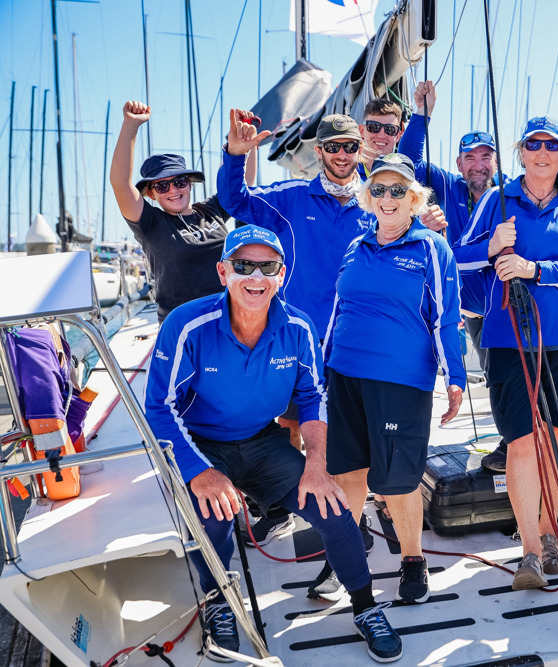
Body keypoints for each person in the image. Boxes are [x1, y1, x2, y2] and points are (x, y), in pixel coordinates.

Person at [143, 225, 402, 663]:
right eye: (244, 266)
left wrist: (316, 463)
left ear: (281, 274)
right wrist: (200, 473)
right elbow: (159, 410)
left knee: (338, 512)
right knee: (213, 520)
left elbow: (312, 397)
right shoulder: (186, 324)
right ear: (223, 272)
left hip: (263, 442)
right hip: (202, 444)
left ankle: (365, 605)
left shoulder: (299, 328)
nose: (255, 277)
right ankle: (219, 604)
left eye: (267, 267)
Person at [400, 82, 558, 475]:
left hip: (528, 320)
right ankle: (513, 446)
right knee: (504, 389)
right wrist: (421, 115)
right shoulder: (450, 188)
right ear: (458, 164)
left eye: (485, 156)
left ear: (497, 162)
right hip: (477, 312)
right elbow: (406, 163)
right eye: (469, 157)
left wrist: (534, 266)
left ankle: (518, 450)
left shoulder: (521, 195)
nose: (477, 164)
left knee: (544, 414)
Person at [217, 110, 376, 577]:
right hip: (297, 339)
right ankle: (282, 506)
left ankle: (350, 522)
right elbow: (234, 199)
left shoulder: (379, 201)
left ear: (360, 150)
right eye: (333, 147)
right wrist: (235, 155)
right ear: (319, 151)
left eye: (350, 146)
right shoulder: (287, 197)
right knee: (288, 427)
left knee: (345, 441)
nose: (342, 155)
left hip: (355, 345)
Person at [455, 116, 558, 590]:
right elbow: (458, 256)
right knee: (520, 442)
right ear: (521, 152)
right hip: (508, 340)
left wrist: (533, 269)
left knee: (557, 443)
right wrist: (492, 246)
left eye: (551, 145)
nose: (542, 152)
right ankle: (531, 553)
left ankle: (548, 531)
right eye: (533, 144)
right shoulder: (498, 200)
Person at [325, 153, 465, 605]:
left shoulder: (431, 248)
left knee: (398, 481)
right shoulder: (356, 245)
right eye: (379, 190)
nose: (388, 198)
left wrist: (456, 377)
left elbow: (445, 318)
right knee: (348, 474)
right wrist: (321, 371)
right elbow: (337, 311)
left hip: (401, 381)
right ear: (369, 197)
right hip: (344, 374)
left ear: (414, 199)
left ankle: (412, 559)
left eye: (398, 191)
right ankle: (345, 558)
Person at [109, 100, 257, 322]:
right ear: (151, 193)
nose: (173, 190)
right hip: (183, 326)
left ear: (189, 183)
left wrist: (246, 145)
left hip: (229, 320)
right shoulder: (151, 223)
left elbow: (242, 185)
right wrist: (130, 125)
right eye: (162, 185)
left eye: (179, 181)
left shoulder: (211, 210)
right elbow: (120, 183)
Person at [358, 98, 406, 178]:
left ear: (398, 136)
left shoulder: (405, 176)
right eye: (374, 127)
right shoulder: (346, 174)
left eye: (390, 129)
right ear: (362, 131)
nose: (381, 135)